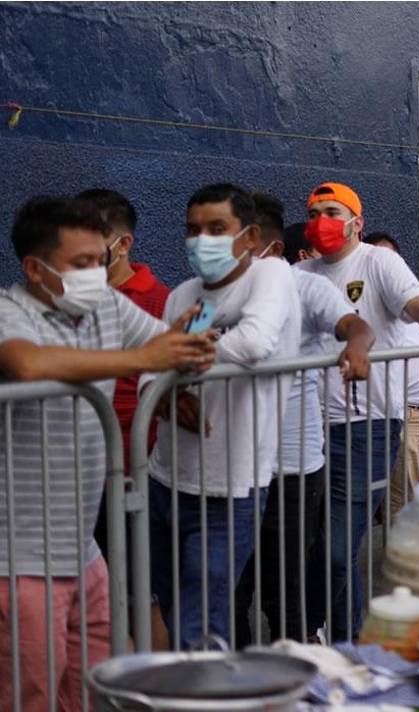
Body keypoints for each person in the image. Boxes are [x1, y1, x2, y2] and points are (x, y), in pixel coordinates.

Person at [0, 196, 214, 711]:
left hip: (85, 552)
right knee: (29, 696)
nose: (95, 274)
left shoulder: (106, 307)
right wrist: (146, 358)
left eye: (99, 261)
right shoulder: (8, 312)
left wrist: (188, 349)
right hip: (20, 561)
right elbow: (25, 365)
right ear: (35, 268)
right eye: (80, 265)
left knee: (97, 691)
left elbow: (162, 345)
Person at [295, 182, 419, 641]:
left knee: (337, 549)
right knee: (317, 547)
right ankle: (335, 638)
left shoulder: (379, 262)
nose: (321, 220)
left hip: (366, 428)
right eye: (314, 212)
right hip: (310, 429)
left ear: (358, 221)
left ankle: (340, 636)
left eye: (332, 211)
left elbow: (417, 307)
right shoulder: (303, 273)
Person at [143, 183, 302, 648]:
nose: (201, 241)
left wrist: (179, 362)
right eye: (193, 230)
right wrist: (172, 396)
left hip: (230, 488)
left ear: (250, 236)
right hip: (166, 479)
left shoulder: (269, 277)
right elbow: (152, 375)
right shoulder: (184, 297)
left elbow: (253, 343)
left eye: (217, 229)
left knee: (200, 620)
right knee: (178, 616)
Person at [233, 194, 374, 647]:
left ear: (266, 249)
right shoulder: (216, 295)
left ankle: (295, 668)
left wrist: (355, 348)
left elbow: (356, 327)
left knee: (285, 585)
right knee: (237, 583)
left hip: (294, 466)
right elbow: (191, 344)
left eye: (227, 238)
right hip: (235, 466)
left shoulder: (307, 288)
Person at [76, 188, 175, 649]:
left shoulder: (158, 300)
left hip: (133, 470)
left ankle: (152, 686)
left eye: (97, 240)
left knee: (141, 592)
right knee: (94, 594)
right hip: (77, 468)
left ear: (124, 243)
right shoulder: (73, 302)